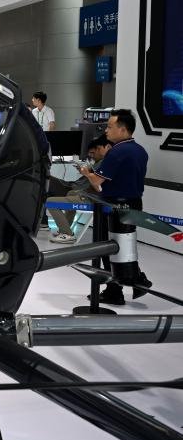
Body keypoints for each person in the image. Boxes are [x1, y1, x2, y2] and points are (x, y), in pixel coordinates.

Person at [78, 109, 151, 304]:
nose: (106, 131)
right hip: (133, 203)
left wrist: (86, 173)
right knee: (125, 246)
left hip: (114, 205)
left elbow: (97, 181)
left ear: (123, 129)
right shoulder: (140, 151)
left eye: (110, 127)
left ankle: (126, 284)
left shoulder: (117, 152)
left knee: (108, 247)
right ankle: (130, 282)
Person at [46, 135, 112, 243]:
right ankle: (65, 229)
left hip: (93, 199)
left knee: (50, 202)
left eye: (98, 149)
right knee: (71, 193)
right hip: (90, 195)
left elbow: (98, 186)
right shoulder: (105, 163)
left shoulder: (105, 163)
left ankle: (67, 233)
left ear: (108, 147)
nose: (93, 154)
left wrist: (87, 174)